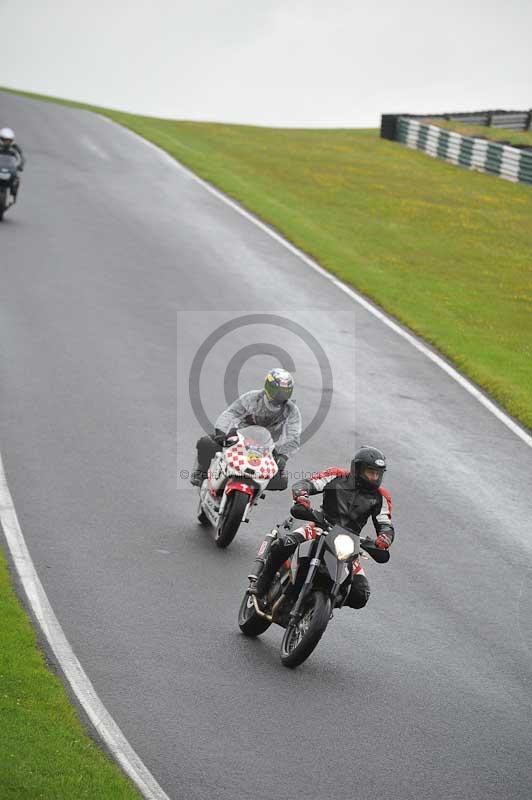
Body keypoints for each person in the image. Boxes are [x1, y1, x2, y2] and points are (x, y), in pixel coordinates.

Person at [250, 445, 395, 609]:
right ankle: (262, 583)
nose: (374, 477)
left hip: (349, 542)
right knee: (285, 544)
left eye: (378, 473)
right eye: (371, 472)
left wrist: (385, 538)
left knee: (360, 594)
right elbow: (306, 484)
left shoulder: (381, 497)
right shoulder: (336, 476)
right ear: (357, 469)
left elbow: (385, 524)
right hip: (320, 527)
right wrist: (302, 498)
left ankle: (321, 607)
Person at [190, 368, 301, 491]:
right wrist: (221, 433)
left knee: (281, 482)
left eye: (285, 392)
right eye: (278, 391)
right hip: (239, 440)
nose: (280, 396)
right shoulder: (252, 398)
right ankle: (201, 473)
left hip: (266, 450)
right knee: (206, 443)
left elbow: (294, 437)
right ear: (268, 387)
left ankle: (255, 491)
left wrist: (283, 456)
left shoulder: (291, 410)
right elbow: (230, 413)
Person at [0, 128, 25, 201]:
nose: (6, 142)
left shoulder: (15, 148)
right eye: (5, 140)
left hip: (10, 169)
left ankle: (13, 195)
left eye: (9, 140)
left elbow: (21, 157)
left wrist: (20, 165)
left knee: (17, 179)